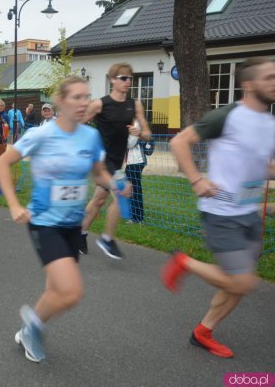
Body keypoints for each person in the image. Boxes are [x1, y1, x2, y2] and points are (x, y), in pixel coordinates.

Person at [0, 76, 124, 363]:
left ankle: (29, 327)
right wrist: (14, 205)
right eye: (76, 97)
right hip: (44, 222)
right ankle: (32, 327)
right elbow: (2, 162)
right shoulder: (41, 135)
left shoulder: (89, 136)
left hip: (72, 224)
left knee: (56, 289)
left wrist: (114, 183)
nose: (84, 103)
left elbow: (97, 170)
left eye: (87, 97)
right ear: (60, 101)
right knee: (71, 291)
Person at [161, 57, 275, 359]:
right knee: (243, 281)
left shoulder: (269, 122)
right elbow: (179, 142)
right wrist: (197, 179)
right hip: (221, 212)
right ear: (249, 84)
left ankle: (203, 332)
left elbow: (263, 166)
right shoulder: (227, 116)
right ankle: (183, 262)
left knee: (237, 283)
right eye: (270, 77)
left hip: (249, 211)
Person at [81, 63, 152, 258]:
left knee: (98, 200)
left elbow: (147, 134)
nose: (127, 82)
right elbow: (77, 124)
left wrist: (140, 132)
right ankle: (107, 239)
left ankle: (79, 232)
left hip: (117, 159)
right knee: (123, 192)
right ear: (112, 80)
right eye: (123, 78)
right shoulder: (100, 104)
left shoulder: (134, 104)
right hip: (101, 160)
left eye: (130, 78)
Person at [124, 120, 146, 223]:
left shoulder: (136, 124)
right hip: (130, 162)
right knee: (131, 188)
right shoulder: (131, 124)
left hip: (135, 162)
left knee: (134, 189)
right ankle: (134, 214)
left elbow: (130, 144)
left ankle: (137, 217)